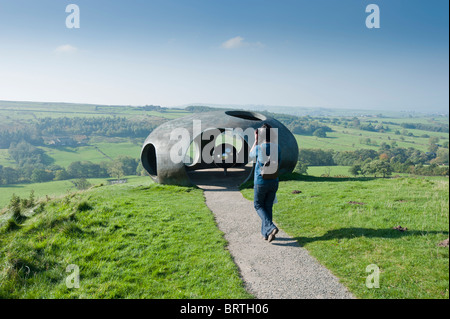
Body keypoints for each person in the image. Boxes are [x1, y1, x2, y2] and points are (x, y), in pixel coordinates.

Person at [249, 123, 281, 243]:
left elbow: (250, 155)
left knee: (258, 205)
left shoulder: (259, 147)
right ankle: (266, 234)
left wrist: (256, 140)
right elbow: (279, 163)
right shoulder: (277, 148)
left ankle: (271, 228)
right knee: (268, 206)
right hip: (273, 181)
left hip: (261, 181)